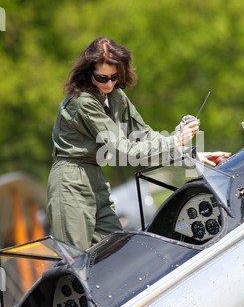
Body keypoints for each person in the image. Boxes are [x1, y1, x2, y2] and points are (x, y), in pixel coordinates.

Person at [47, 37, 229, 249]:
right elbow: (124, 150)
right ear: (88, 73)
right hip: (69, 180)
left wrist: (190, 155)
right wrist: (175, 141)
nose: (108, 83)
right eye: (101, 77)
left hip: (95, 176)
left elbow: (144, 136)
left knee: (115, 251)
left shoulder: (116, 96)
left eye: (114, 77)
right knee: (75, 259)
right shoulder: (82, 101)